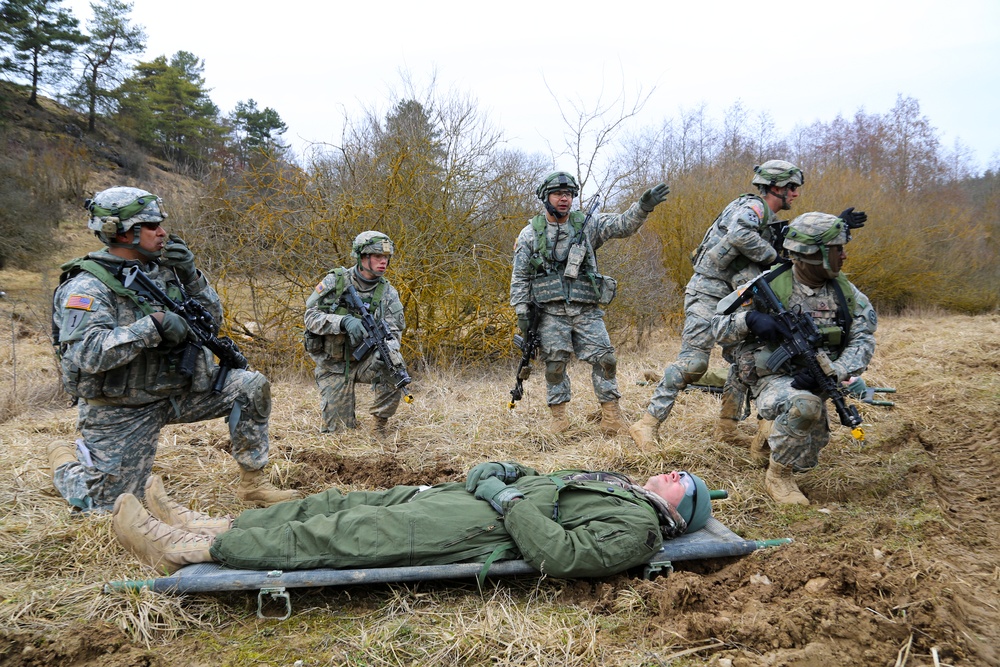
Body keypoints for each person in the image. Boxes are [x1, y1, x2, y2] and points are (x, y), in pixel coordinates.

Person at [48, 186, 301, 513]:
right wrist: (151, 327)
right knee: (111, 510)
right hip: (121, 408)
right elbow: (87, 354)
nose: (163, 232)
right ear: (122, 233)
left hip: (176, 392)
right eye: (152, 226)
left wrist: (191, 275)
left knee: (250, 386)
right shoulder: (87, 286)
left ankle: (253, 485)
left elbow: (213, 319)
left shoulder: (165, 271)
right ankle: (66, 466)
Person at [111, 462, 713, 577]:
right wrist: (505, 470)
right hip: (473, 499)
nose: (669, 473)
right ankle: (213, 525)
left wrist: (506, 500)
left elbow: (562, 556)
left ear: (677, 510)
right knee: (342, 504)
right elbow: (546, 480)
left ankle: (181, 551)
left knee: (346, 536)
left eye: (678, 481)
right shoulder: (620, 488)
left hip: (483, 529)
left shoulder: (636, 530)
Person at [630, 160, 815, 451]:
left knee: (745, 361)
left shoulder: (767, 219)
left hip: (738, 295)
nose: (795, 194)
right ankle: (646, 424)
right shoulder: (752, 208)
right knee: (693, 362)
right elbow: (739, 235)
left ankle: (727, 428)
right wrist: (773, 258)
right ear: (776, 187)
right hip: (709, 290)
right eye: (792, 188)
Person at [711, 212, 877, 505]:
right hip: (769, 376)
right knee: (805, 407)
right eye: (838, 249)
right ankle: (778, 476)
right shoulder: (769, 284)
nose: (844, 256)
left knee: (808, 454)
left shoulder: (847, 294)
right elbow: (717, 326)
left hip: (817, 376)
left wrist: (834, 371)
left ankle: (769, 437)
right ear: (814, 255)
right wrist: (749, 320)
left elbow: (863, 342)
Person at [510, 172, 670, 435]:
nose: (564, 199)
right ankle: (560, 421)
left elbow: (622, 225)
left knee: (606, 359)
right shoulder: (529, 234)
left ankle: (611, 418)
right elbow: (520, 277)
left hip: (586, 310)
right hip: (550, 313)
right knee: (555, 365)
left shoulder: (588, 224)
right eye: (558, 193)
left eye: (569, 194)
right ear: (545, 197)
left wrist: (643, 206)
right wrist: (522, 314)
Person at [303, 231, 407, 433]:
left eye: (386, 257)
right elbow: (310, 318)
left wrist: (386, 348)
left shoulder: (388, 293)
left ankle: (379, 426)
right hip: (333, 365)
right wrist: (342, 322)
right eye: (377, 257)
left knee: (394, 362)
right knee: (339, 432)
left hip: (365, 362)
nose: (383, 262)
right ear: (362, 257)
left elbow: (395, 332)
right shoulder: (336, 281)